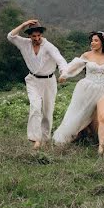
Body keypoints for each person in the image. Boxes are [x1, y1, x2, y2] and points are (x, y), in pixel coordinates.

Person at [7, 19, 69, 149]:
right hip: (33, 80)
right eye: (34, 36)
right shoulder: (24, 44)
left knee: (47, 111)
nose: (37, 38)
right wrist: (24, 24)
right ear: (29, 35)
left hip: (49, 81)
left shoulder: (49, 46)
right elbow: (11, 36)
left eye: (39, 35)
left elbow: (60, 60)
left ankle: (45, 138)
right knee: (35, 107)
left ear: (42, 34)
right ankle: (36, 139)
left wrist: (63, 73)